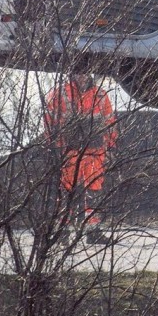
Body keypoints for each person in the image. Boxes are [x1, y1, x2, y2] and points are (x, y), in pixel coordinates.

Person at [44, 71, 117, 231]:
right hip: (69, 151)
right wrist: (55, 147)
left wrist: (110, 146)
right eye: (78, 73)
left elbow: (110, 121)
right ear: (71, 74)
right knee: (66, 191)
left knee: (94, 190)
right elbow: (49, 120)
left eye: (85, 73)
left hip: (95, 150)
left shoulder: (101, 95)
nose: (82, 76)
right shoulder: (59, 93)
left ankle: (93, 230)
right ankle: (63, 231)